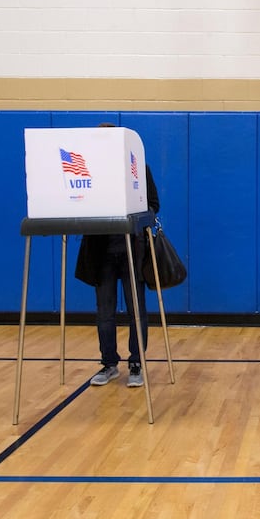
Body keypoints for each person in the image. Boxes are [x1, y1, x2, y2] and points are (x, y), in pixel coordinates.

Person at [74, 123, 160, 388]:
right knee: (104, 312)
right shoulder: (89, 173)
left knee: (137, 311)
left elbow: (154, 206)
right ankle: (109, 363)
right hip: (101, 254)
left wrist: (136, 216)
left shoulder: (138, 169)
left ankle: (136, 363)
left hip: (132, 250)